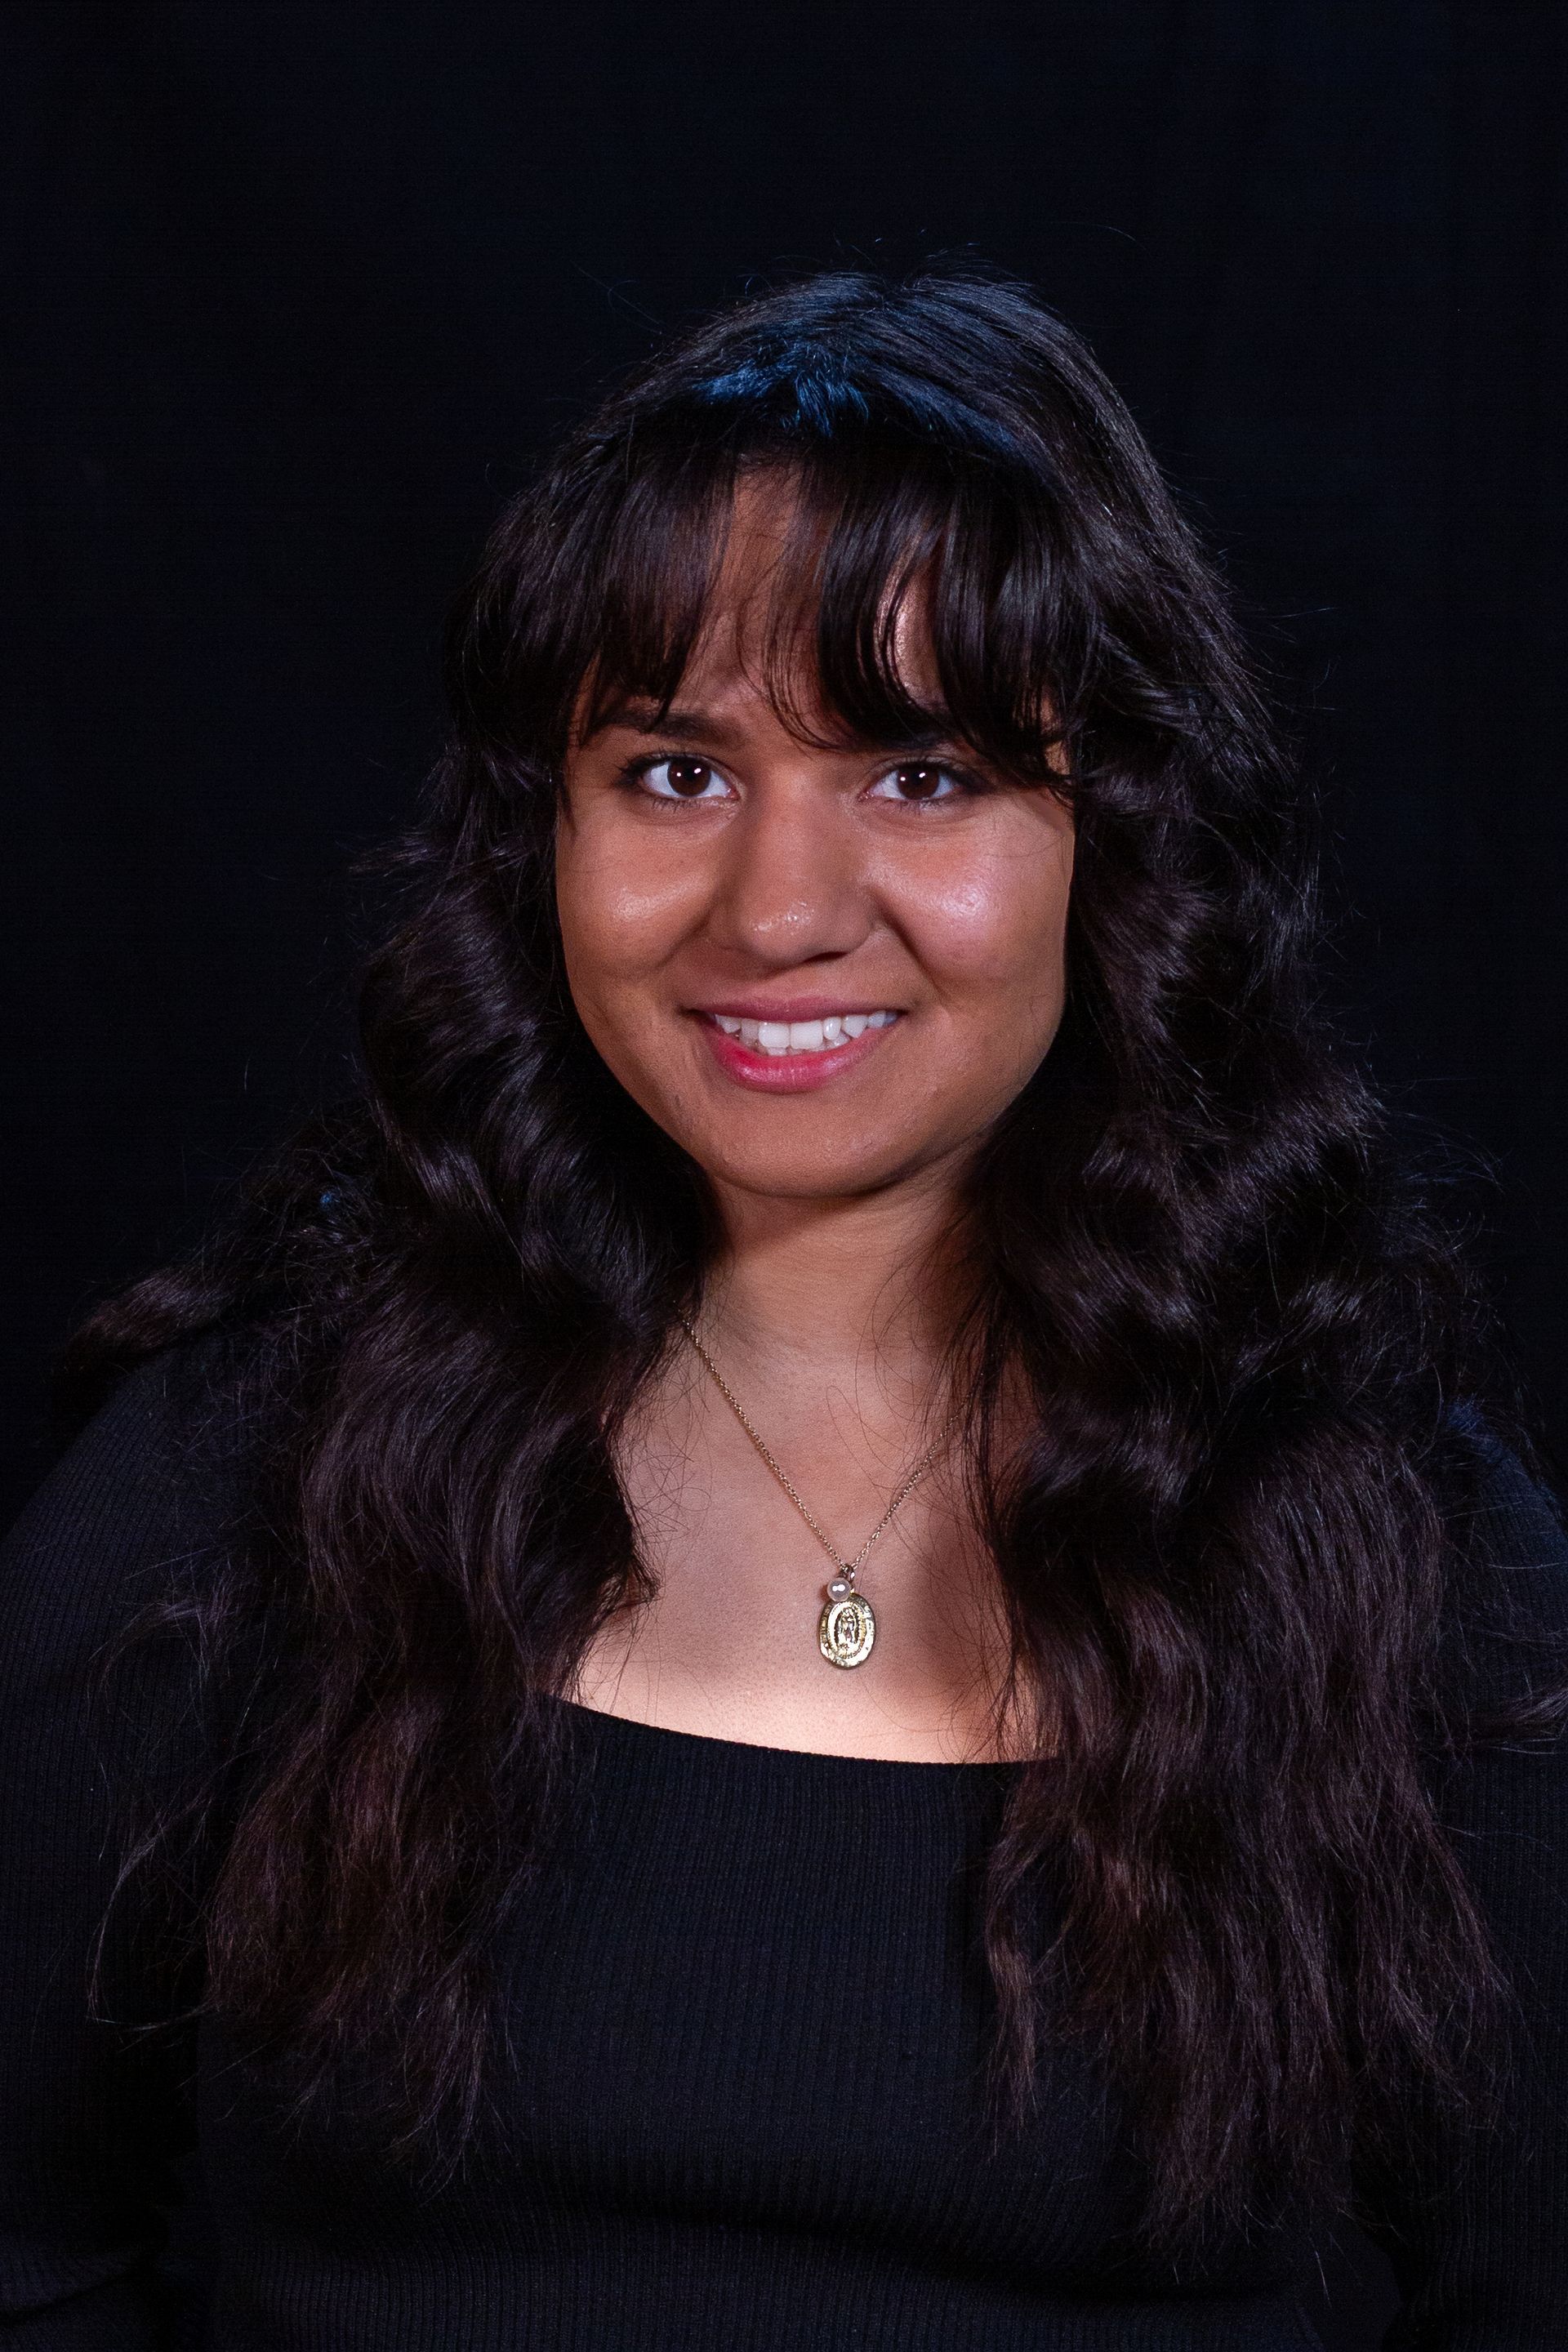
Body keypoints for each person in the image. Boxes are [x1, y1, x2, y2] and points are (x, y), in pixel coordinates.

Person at [2, 266, 1565, 2351]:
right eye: (673, 771)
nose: (782, 910)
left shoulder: (1412, 1565)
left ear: (1118, 841)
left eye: (919, 773)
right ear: (538, 837)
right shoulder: (228, 1492)